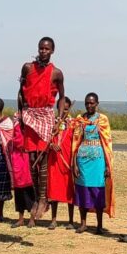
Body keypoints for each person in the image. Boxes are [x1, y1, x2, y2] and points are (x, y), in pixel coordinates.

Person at [18, 36, 66, 223]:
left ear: (52, 51)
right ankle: (37, 198)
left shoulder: (57, 73)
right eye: (41, 48)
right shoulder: (27, 68)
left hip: (46, 115)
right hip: (30, 114)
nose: (43, 51)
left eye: (47, 49)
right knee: (32, 159)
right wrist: (22, 115)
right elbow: (21, 92)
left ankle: (44, 199)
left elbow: (62, 97)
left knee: (43, 158)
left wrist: (59, 118)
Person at [70, 93, 115, 234]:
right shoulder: (80, 119)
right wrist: (74, 164)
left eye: (92, 103)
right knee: (82, 190)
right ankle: (83, 223)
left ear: (97, 104)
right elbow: (75, 142)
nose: (89, 105)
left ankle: (99, 225)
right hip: (82, 160)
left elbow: (107, 143)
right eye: (87, 103)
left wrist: (107, 165)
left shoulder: (102, 120)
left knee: (97, 191)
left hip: (98, 160)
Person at [47, 97, 76, 230]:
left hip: (67, 160)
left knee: (69, 190)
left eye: (66, 108)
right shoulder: (51, 122)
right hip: (54, 161)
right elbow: (45, 139)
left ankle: (71, 221)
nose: (64, 110)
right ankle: (53, 220)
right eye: (61, 107)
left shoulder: (73, 123)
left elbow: (77, 141)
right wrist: (51, 145)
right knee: (54, 189)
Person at [8, 114, 36, 229]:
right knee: (19, 192)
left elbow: (22, 141)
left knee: (30, 192)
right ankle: (21, 219)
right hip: (17, 159)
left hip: (27, 159)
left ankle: (32, 218)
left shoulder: (31, 124)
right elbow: (16, 140)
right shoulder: (16, 123)